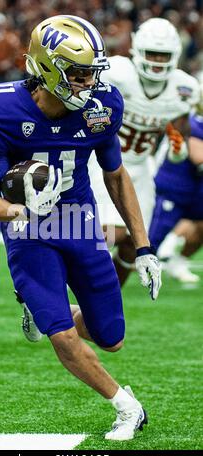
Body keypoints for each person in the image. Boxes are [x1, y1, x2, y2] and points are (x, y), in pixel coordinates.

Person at [0, 15, 161, 441]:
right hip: (28, 231)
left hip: (79, 223)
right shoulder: (0, 107)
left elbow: (116, 175)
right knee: (61, 336)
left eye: (91, 74)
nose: (87, 85)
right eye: (78, 74)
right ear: (46, 68)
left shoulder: (103, 106)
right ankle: (127, 406)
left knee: (110, 336)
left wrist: (144, 246)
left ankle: (44, 313)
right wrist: (20, 212)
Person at [88, 17, 199, 286]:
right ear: (137, 50)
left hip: (140, 168)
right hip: (101, 161)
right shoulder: (115, 72)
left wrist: (177, 150)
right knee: (109, 233)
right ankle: (70, 281)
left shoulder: (184, 89)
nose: (158, 61)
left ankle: (107, 296)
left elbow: (179, 132)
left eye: (164, 55)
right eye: (152, 54)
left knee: (136, 245)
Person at [148, 83, 203, 283]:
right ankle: (133, 262)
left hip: (195, 190)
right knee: (154, 235)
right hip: (174, 186)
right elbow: (199, 158)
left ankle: (178, 261)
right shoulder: (192, 121)